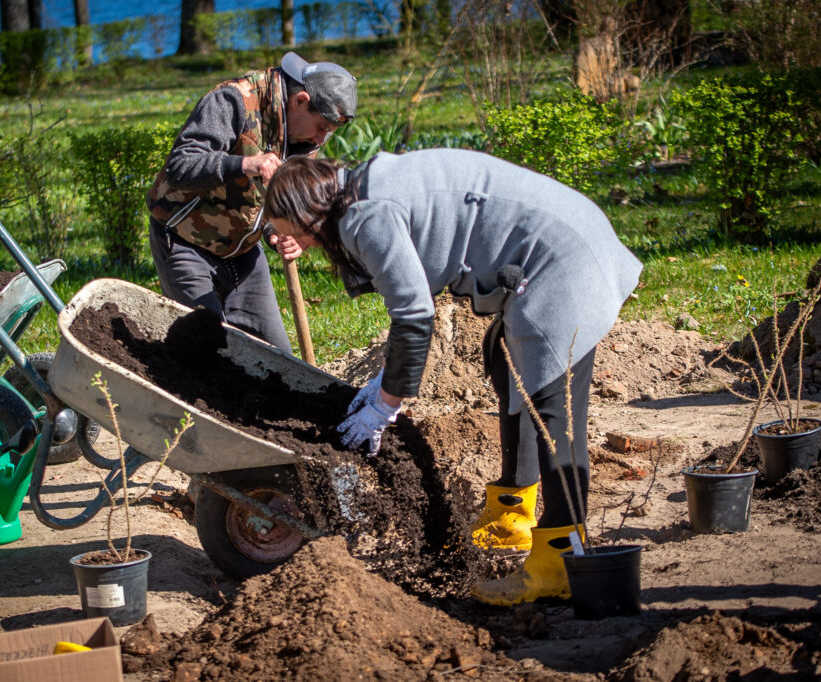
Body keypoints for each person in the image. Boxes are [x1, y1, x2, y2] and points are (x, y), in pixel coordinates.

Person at [262, 150, 643, 605]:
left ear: (308, 215)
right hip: (559, 242)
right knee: (506, 361)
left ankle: (562, 561)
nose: (306, 247)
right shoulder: (361, 189)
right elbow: (415, 289)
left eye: (299, 237)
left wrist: (386, 403)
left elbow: (414, 313)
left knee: (551, 410)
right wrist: (388, 373)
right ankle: (512, 515)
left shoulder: (368, 217)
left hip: (564, 259)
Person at [147, 52, 357, 352]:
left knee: (277, 358)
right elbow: (180, 166)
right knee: (206, 349)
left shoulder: (306, 136)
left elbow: (275, 197)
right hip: (186, 242)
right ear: (300, 100)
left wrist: (278, 232)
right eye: (321, 126)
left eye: (330, 131)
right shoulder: (233, 100)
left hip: (244, 252)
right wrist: (244, 165)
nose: (322, 138)